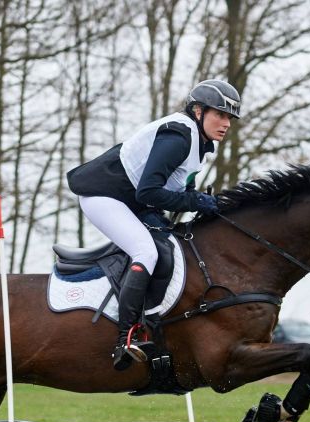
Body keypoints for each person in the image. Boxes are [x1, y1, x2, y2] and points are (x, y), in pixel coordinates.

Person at [66, 79, 242, 370]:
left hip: (132, 202)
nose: (226, 124)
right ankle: (125, 339)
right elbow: (148, 192)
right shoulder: (179, 138)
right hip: (103, 196)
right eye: (220, 115)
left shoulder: (198, 144)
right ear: (198, 111)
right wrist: (195, 202)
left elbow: (176, 193)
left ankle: (154, 323)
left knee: (170, 247)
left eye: (230, 118)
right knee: (146, 252)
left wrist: (201, 204)